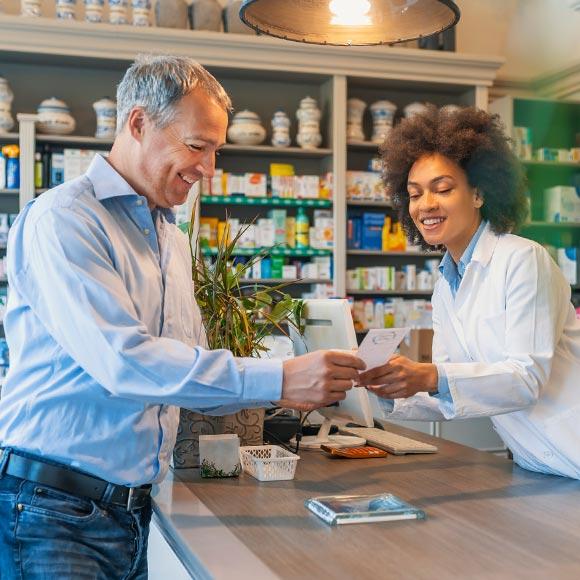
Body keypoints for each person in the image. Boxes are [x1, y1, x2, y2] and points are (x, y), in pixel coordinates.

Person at [0, 55, 365, 578]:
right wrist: (280, 377)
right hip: (51, 510)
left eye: (216, 149)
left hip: (127, 509)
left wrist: (287, 384)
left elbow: (186, 360)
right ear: (138, 123)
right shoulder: (65, 219)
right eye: (197, 146)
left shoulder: (168, 236)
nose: (209, 169)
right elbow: (126, 363)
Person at [358, 105, 580, 480]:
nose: (425, 205)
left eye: (442, 189)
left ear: (479, 194)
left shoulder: (523, 259)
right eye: (414, 194)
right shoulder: (445, 285)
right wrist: (386, 385)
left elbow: (525, 379)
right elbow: (452, 394)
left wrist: (428, 375)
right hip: (535, 466)